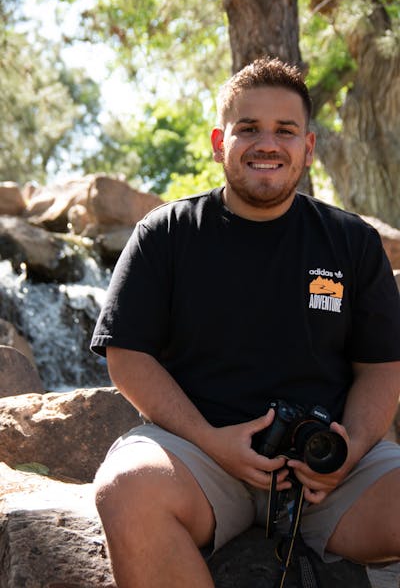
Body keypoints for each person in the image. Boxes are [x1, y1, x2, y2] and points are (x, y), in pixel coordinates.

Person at [90, 57, 400, 588]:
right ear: (218, 141)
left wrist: (351, 452)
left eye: (285, 130)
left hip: (327, 472)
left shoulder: (353, 242)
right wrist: (211, 441)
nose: (267, 144)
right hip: (197, 459)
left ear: (308, 146)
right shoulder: (165, 233)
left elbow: (381, 367)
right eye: (248, 128)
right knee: (127, 490)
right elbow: (127, 357)